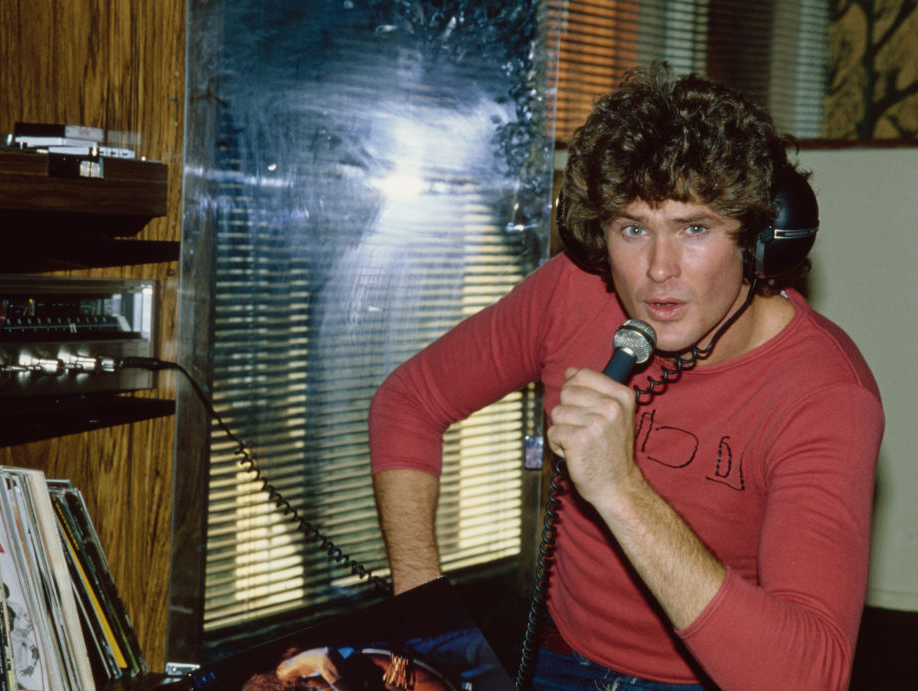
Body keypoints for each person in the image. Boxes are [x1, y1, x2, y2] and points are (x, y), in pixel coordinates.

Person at [367, 63, 884, 690]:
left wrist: (620, 489)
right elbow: (410, 401)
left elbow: (808, 678)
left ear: (760, 239)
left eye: (694, 228)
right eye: (632, 229)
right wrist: (423, 611)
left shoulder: (827, 395)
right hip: (558, 659)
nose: (658, 270)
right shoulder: (573, 293)